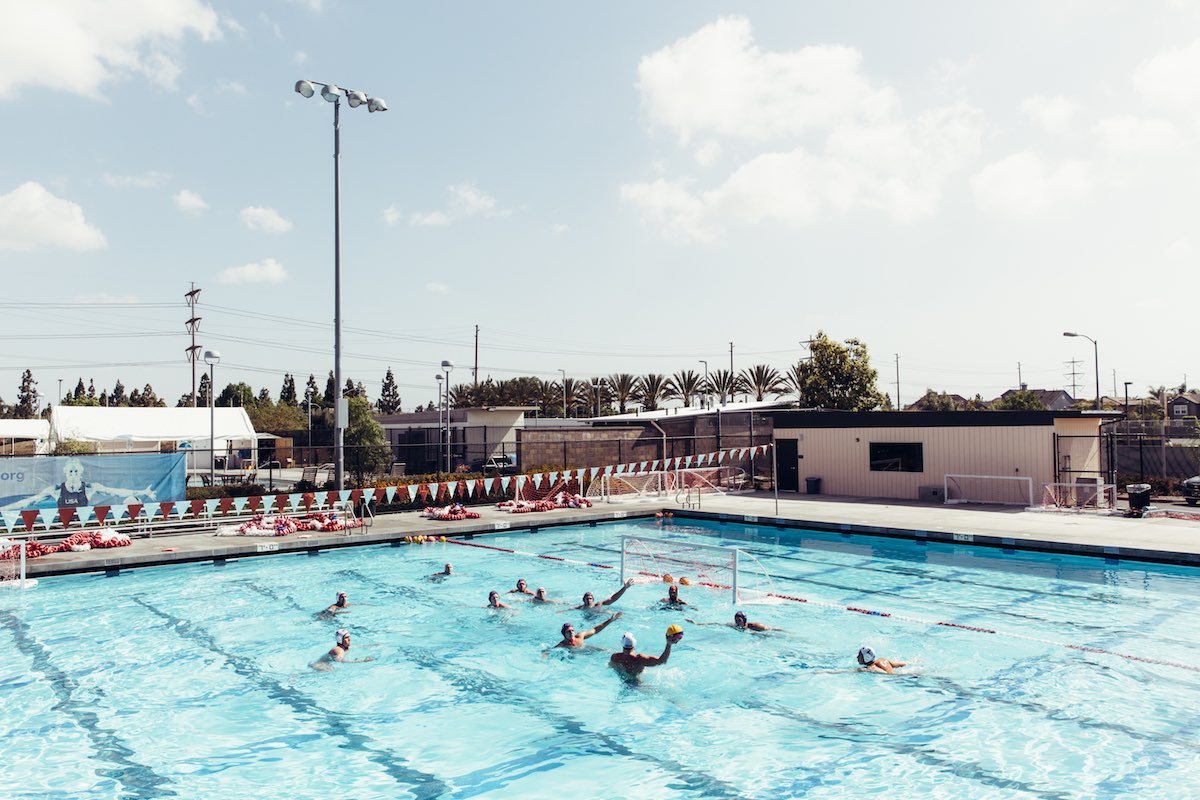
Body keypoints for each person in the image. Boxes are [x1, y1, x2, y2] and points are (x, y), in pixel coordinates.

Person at [2, 457, 157, 513]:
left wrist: (142, 492)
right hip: (64, 526)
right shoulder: (56, 490)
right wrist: (3, 509)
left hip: (84, 526)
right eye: (71, 471)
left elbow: (116, 492)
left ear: (81, 472)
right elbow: (27, 502)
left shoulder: (89, 487)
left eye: (76, 471)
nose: (74, 474)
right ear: (65, 472)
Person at [609, 626, 683, 678]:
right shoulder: (639, 659)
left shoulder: (614, 657)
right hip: (636, 684)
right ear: (634, 644)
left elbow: (611, 667)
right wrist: (668, 644)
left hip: (622, 681)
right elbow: (662, 661)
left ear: (622, 643)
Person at [555, 612, 620, 648]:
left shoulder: (580, 636)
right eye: (568, 631)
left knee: (606, 650)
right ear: (564, 634)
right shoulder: (562, 645)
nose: (571, 633)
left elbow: (595, 630)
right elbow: (549, 651)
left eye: (572, 631)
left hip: (586, 650)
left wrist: (610, 620)